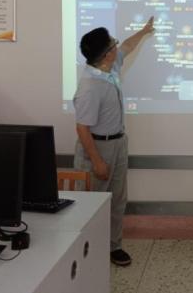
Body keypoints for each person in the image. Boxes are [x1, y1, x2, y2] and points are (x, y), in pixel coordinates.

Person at [73, 17, 154, 266]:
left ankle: (113, 246)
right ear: (107, 54)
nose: (117, 46)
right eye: (113, 43)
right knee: (93, 204)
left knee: (117, 199)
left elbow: (128, 46)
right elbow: (82, 128)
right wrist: (97, 161)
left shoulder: (110, 67)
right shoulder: (90, 87)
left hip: (118, 142)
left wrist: (143, 31)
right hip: (97, 147)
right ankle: (88, 251)